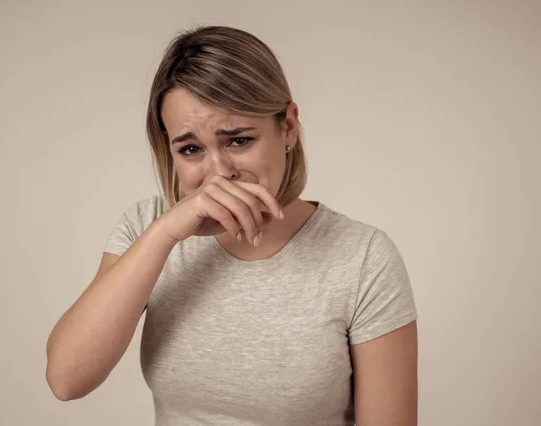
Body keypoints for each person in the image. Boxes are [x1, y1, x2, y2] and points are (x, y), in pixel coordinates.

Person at [45, 25, 418, 425]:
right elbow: (67, 380)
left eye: (238, 140)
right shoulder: (145, 227)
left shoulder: (362, 258)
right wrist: (165, 234)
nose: (219, 174)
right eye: (190, 149)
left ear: (288, 127)